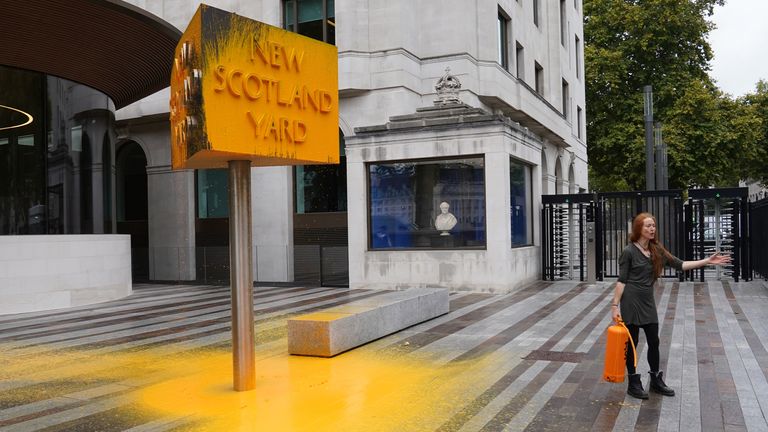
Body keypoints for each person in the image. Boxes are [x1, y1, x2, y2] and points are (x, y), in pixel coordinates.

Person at [610, 212, 730, 400]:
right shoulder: (629, 251)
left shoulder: (656, 249)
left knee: (654, 341)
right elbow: (622, 281)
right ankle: (633, 382)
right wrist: (615, 306)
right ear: (639, 228)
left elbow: (680, 264)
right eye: (648, 225)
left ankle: (656, 380)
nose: (652, 229)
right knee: (632, 344)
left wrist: (707, 261)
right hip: (631, 302)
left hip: (647, 302)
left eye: (653, 226)